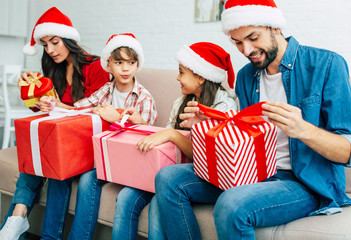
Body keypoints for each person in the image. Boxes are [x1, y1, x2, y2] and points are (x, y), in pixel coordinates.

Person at [150, 0, 351, 239]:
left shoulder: (326, 65)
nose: (246, 50)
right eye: (238, 42)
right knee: (168, 178)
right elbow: (242, 137)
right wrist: (211, 122)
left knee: (231, 203)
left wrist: (304, 130)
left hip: (304, 182)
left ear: (274, 27)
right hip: (252, 171)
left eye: (253, 38)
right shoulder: (246, 76)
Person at [0, 7, 110, 240]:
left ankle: (31, 229)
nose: (50, 50)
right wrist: (29, 90)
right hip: (59, 139)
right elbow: (39, 107)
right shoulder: (53, 68)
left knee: (57, 170)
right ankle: (16, 221)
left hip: (83, 141)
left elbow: (97, 114)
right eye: (45, 45)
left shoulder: (95, 66)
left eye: (55, 42)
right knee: (32, 161)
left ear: (68, 39)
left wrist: (59, 107)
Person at [112, 42, 237, 240]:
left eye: (181, 72)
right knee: (126, 196)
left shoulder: (224, 106)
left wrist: (173, 135)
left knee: (157, 205)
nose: (177, 78)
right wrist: (145, 125)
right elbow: (164, 139)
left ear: (200, 76)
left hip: (203, 175)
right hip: (168, 167)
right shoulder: (182, 101)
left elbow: (207, 156)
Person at [42, 33, 157, 240]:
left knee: (88, 179)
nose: (125, 68)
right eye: (119, 62)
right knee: (73, 173)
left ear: (137, 65)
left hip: (130, 159)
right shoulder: (105, 91)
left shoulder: (143, 97)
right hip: (105, 157)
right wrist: (55, 105)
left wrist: (120, 117)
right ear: (108, 66)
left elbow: (148, 135)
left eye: (131, 62)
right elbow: (78, 109)